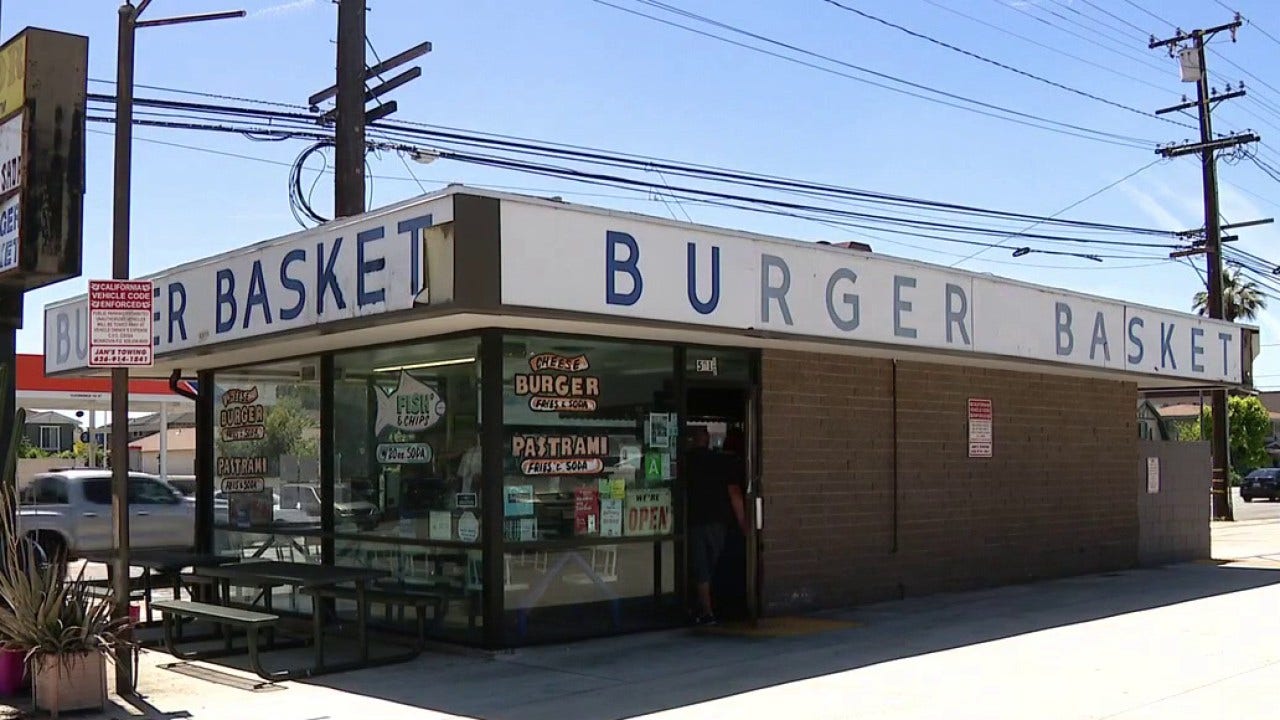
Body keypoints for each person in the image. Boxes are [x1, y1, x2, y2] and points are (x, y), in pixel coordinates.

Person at [686, 426, 747, 626]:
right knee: (715, 565)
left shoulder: (686, 462)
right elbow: (735, 494)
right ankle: (716, 607)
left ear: (693, 440)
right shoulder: (721, 461)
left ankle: (707, 611)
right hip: (719, 522)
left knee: (701, 567)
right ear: (708, 440)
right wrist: (744, 523)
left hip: (695, 521)